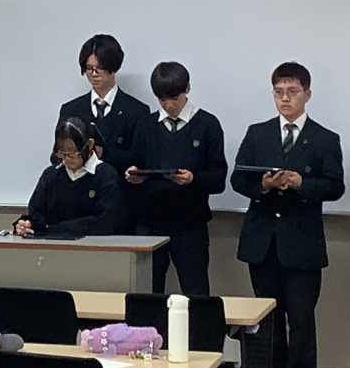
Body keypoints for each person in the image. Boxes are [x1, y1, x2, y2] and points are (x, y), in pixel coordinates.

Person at [230, 62, 345, 368]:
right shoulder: (257, 133)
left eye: (292, 92)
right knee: (268, 316)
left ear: (307, 94)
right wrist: (264, 185)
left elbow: (336, 186)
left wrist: (302, 183)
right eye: (279, 92)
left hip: (302, 242)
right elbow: (238, 179)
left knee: (300, 317)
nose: (285, 98)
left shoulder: (325, 138)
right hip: (263, 240)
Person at [125, 61, 227, 296]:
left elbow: (218, 178)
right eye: (162, 100)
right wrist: (134, 176)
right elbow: (135, 165)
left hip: (190, 224)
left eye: (174, 98)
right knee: (148, 292)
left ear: (187, 89)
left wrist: (194, 179)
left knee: (196, 292)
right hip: (150, 223)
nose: (169, 105)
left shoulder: (207, 125)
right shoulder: (146, 125)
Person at [55, 34, 150, 230]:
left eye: (100, 68)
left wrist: (103, 153)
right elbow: (56, 156)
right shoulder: (71, 109)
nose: (93, 74)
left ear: (114, 67)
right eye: (88, 69)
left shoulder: (136, 110)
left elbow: (140, 159)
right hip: (78, 206)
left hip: (122, 208)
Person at [15, 117, 122, 238]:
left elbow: (105, 222)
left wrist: (53, 229)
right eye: (62, 153)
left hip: (93, 245)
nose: (67, 159)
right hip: (51, 244)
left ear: (89, 144)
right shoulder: (51, 175)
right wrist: (27, 224)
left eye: (73, 153)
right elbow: (36, 213)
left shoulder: (106, 175)